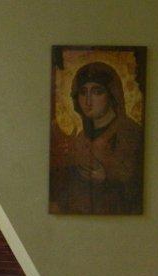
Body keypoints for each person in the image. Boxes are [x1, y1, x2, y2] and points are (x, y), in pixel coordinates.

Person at [50, 61, 142, 214]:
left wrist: (106, 179)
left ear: (112, 95)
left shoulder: (130, 133)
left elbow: (140, 190)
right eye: (83, 92)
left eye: (97, 92)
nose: (88, 101)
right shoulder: (80, 139)